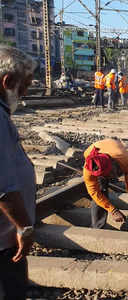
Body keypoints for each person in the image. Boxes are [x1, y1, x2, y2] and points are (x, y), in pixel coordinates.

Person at [0, 45, 36, 300]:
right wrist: (24, 227)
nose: (24, 93)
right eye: (24, 85)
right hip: (4, 244)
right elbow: (3, 187)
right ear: (7, 81)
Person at [83, 139, 128, 229]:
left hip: (115, 150)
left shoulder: (124, 159)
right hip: (99, 155)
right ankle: (98, 226)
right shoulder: (88, 171)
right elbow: (94, 193)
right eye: (109, 175)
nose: (113, 176)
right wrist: (113, 210)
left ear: (113, 163)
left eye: (112, 173)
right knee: (101, 189)